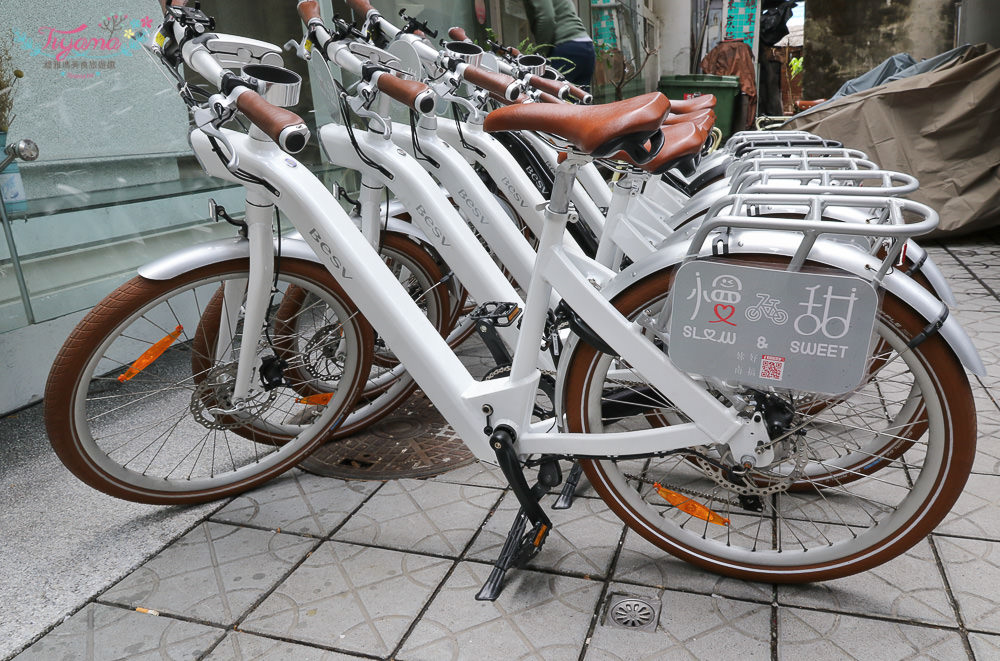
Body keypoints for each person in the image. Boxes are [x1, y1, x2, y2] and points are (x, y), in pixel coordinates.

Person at [523, 0, 596, 89]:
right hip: (585, 45)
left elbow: (546, 18)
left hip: (565, 48)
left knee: (551, 98)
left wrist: (541, 54)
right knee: (578, 99)